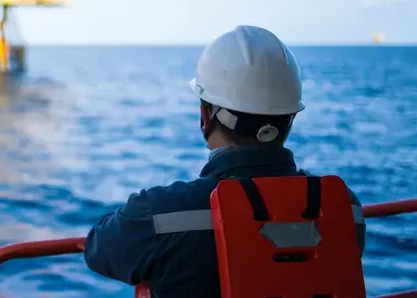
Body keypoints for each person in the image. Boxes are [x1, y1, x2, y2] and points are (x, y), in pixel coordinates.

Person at [83, 25, 366, 297]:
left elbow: (98, 249)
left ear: (206, 115)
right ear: (290, 118)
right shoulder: (344, 207)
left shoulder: (160, 214)